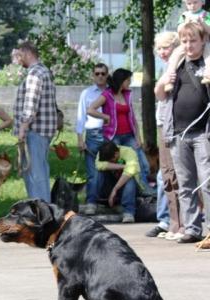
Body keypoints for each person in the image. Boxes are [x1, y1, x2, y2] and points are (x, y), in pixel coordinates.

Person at [155, 20, 210, 246]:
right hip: (177, 131)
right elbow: (159, 94)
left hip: (203, 133)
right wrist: (163, 83)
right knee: (185, 183)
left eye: (193, 41)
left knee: (206, 181)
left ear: (203, 40)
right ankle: (192, 228)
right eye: (185, 41)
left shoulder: (208, 63)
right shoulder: (175, 64)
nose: (188, 46)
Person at [146, 32, 185, 240]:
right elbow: (159, 92)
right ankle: (171, 221)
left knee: (172, 175)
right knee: (165, 175)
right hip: (163, 121)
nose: (162, 52)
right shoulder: (166, 67)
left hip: (174, 123)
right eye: (159, 48)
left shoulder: (178, 65)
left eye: (166, 48)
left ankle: (179, 223)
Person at [87, 68, 151, 188]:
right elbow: (90, 109)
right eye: (128, 80)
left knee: (143, 163)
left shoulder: (127, 95)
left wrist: (138, 137)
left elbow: (132, 118)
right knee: (120, 165)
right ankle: (120, 191)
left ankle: (145, 189)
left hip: (129, 135)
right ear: (121, 81)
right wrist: (105, 116)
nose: (129, 83)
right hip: (113, 136)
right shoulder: (107, 94)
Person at [12, 41, 58, 203]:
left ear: (26, 53)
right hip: (43, 129)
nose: (18, 60)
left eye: (19, 56)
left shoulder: (34, 74)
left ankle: (41, 211)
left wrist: (23, 128)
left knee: (35, 173)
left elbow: (30, 103)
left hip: (35, 130)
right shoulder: (44, 71)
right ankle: (42, 209)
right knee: (39, 171)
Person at [75, 63, 109, 216]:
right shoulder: (86, 93)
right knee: (92, 171)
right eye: (97, 73)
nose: (100, 76)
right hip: (92, 133)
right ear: (93, 75)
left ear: (107, 75)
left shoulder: (112, 92)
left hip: (110, 133)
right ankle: (91, 202)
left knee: (109, 168)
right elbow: (81, 117)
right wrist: (80, 138)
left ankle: (107, 199)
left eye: (103, 73)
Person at [163, 0, 210, 92]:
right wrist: (185, 23)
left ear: (202, 2)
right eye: (189, 3)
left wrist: (202, 23)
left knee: (208, 57)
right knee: (175, 56)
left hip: (204, 42)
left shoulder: (206, 15)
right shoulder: (184, 15)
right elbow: (179, 30)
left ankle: (208, 74)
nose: (192, 6)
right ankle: (169, 78)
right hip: (187, 42)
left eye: (195, 2)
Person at [95, 140, 143, 223]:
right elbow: (99, 165)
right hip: (110, 186)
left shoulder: (129, 152)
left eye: (111, 160)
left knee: (130, 178)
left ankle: (128, 212)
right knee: (100, 172)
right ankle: (103, 201)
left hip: (129, 188)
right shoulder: (102, 153)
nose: (110, 162)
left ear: (116, 153)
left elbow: (130, 171)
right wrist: (122, 166)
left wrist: (115, 189)